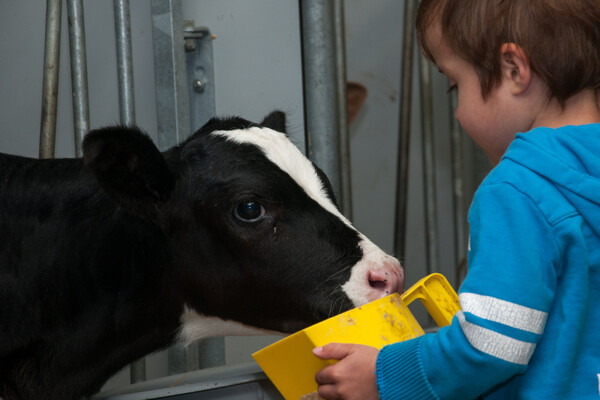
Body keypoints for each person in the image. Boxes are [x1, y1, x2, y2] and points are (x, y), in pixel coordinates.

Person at [313, 0, 600, 398]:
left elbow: (493, 344)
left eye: (454, 85)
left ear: (514, 70)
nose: (458, 113)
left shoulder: (519, 189)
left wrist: (384, 376)